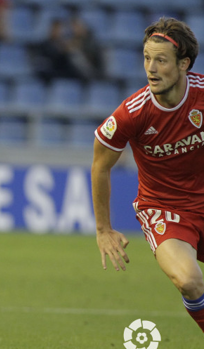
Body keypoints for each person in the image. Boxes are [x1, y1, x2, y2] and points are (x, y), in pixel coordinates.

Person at [92, 17, 204, 332]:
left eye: (160, 60)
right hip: (165, 210)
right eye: (146, 58)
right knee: (189, 280)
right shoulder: (133, 113)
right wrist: (103, 229)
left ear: (184, 64)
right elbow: (101, 165)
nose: (151, 68)